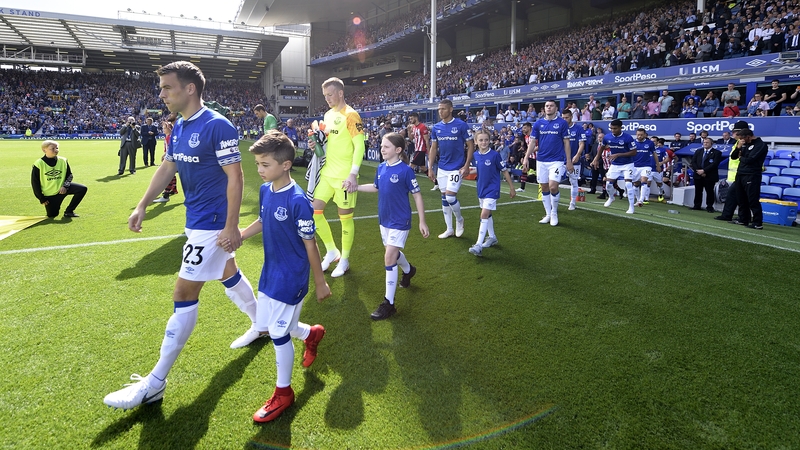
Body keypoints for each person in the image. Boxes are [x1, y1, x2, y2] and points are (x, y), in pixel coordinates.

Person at [103, 61, 264, 411]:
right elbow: (168, 166)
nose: (161, 94)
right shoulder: (178, 126)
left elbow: (235, 178)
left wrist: (232, 225)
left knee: (183, 291)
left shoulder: (217, 125)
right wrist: (142, 204)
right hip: (197, 219)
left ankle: (155, 383)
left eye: (166, 87)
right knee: (228, 272)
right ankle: (262, 323)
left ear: (189, 88)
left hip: (212, 224)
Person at [235, 130, 331, 423]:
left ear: (285, 165)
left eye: (265, 164)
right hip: (271, 271)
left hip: (291, 275)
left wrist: (320, 281)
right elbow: (264, 220)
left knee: (277, 333)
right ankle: (310, 333)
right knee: (276, 326)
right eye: (258, 164)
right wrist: (241, 234)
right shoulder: (266, 190)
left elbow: (310, 243)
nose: (259, 169)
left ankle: (284, 392)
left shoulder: (299, 201)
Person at [356, 132, 428, 320]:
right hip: (384, 220)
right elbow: (376, 187)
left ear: (398, 150)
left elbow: (417, 195)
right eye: (381, 146)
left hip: (400, 220)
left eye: (386, 147)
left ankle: (389, 304)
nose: (382, 149)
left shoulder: (405, 171)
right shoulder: (381, 168)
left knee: (389, 257)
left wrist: (422, 221)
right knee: (392, 253)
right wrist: (356, 187)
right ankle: (409, 270)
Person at [310, 77, 366, 277]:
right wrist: (315, 144)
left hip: (344, 176)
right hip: (327, 174)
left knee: (345, 218)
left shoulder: (351, 115)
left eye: (330, 94)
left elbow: (360, 145)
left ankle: (345, 259)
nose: (327, 98)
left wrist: (353, 174)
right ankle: (332, 250)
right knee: (314, 211)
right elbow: (327, 143)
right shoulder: (327, 114)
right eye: (325, 95)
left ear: (340, 93)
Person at [427, 99, 474, 238]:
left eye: (443, 109)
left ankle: (459, 220)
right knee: (444, 198)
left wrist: (466, 165)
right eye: (439, 109)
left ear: (451, 109)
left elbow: (471, 145)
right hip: (442, 167)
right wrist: (430, 168)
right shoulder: (436, 128)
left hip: (457, 167)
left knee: (450, 196)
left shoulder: (461, 125)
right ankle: (449, 229)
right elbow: (434, 148)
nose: (440, 111)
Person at [523, 99, 573, 226]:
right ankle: (548, 214)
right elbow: (533, 142)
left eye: (551, 106)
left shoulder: (562, 123)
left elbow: (566, 142)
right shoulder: (538, 123)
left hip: (556, 160)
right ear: (544, 108)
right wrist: (526, 157)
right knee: (544, 187)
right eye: (546, 106)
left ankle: (554, 213)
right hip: (541, 160)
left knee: (553, 186)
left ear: (556, 108)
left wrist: (569, 161)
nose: (549, 108)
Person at [468, 129, 516, 256]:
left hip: (492, 190)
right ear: (476, 142)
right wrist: (465, 172)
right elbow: (478, 170)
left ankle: (478, 245)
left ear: (490, 141)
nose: (484, 142)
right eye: (481, 140)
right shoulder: (476, 155)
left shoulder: (494, 155)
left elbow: (504, 171)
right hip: (481, 189)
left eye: (486, 140)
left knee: (483, 214)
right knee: (487, 215)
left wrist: (512, 188)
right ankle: (492, 237)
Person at [31, 140, 87, 218]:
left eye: (57, 148)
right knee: (52, 215)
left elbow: (69, 175)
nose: (56, 150)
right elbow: (35, 182)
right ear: (44, 150)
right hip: (50, 194)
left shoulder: (63, 160)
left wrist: (65, 186)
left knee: (82, 189)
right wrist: (41, 198)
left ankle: (69, 211)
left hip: (63, 189)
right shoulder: (38, 163)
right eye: (52, 148)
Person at [592, 119, 636, 214]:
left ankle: (631, 207)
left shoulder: (628, 137)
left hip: (628, 164)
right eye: (611, 128)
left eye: (615, 128)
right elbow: (601, 148)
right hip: (615, 164)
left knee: (628, 184)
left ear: (620, 127)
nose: (613, 130)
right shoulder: (607, 137)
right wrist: (596, 159)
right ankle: (611, 198)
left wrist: (618, 154)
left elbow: (634, 152)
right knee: (608, 184)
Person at [731, 128, 768, 229]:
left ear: (748, 136)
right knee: (740, 198)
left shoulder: (760, 145)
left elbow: (750, 160)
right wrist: (738, 148)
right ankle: (743, 219)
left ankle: (757, 222)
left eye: (742, 139)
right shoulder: (743, 144)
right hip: (740, 173)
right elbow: (733, 157)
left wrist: (741, 158)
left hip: (752, 174)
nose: (741, 141)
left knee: (752, 199)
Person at [715, 121, 750, 222]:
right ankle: (729, 215)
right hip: (735, 176)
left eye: (735, 132)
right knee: (733, 196)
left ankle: (740, 217)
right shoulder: (737, 144)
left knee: (738, 197)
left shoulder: (745, 144)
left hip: (742, 175)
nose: (732, 134)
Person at [690, 137, 723, 212]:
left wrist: (704, 171)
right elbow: (693, 162)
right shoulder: (698, 151)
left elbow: (715, 164)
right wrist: (698, 171)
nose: (705, 144)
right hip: (698, 175)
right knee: (698, 191)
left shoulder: (717, 153)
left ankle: (709, 206)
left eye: (707, 142)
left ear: (711, 144)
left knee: (709, 191)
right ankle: (697, 205)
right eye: (704, 142)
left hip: (709, 175)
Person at [153, 114, 179, 203]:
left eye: (164, 128)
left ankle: (166, 195)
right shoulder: (168, 137)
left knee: (166, 175)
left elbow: (171, 149)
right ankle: (173, 189)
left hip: (174, 160)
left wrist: (165, 156)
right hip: (173, 159)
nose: (163, 130)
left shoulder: (170, 137)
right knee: (171, 175)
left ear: (169, 128)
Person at [562, 109, 585, 210]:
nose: (564, 119)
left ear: (571, 117)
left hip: (574, 160)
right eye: (563, 118)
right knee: (554, 180)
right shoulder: (561, 129)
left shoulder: (578, 129)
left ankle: (573, 202)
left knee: (573, 181)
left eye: (566, 117)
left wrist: (577, 155)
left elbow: (582, 143)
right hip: (561, 159)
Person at [631, 128, 658, 207]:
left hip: (646, 166)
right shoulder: (632, 142)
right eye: (638, 135)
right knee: (635, 183)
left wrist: (658, 165)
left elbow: (654, 154)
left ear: (645, 135)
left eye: (641, 135)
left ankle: (641, 200)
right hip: (635, 166)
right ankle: (638, 199)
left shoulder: (650, 143)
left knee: (644, 180)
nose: (639, 136)